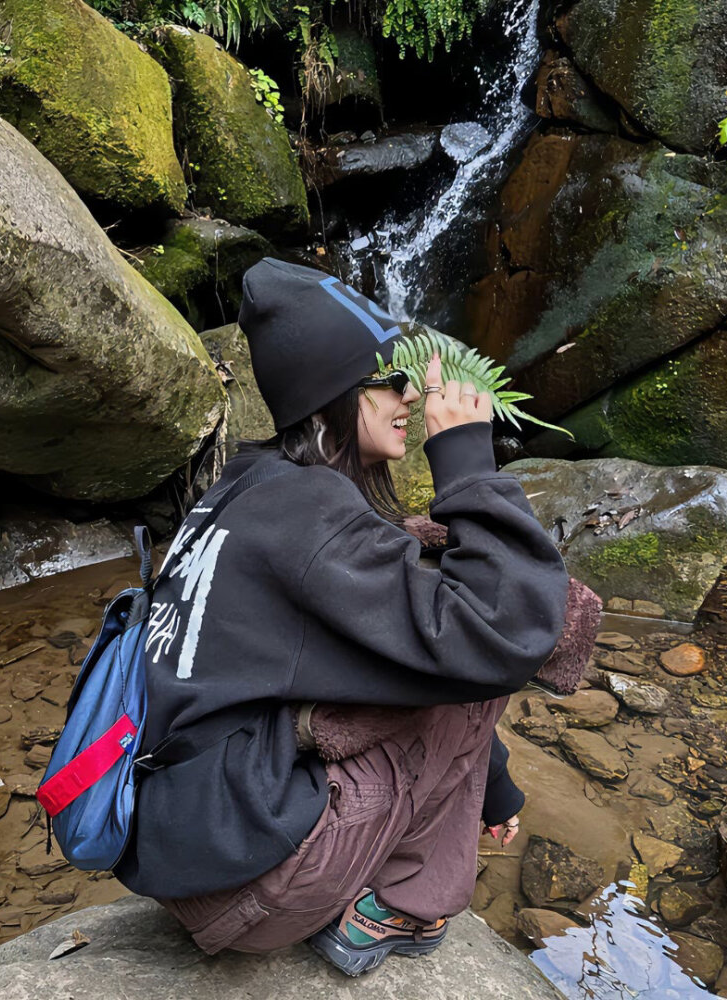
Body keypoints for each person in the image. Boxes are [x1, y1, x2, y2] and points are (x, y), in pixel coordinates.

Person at [114, 257, 570, 976]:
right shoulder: (313, 513)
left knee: (430, 620)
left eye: (408, 374)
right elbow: (501, 627)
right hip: (255, 887)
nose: (410, 393)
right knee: (501, 629)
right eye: (386, 378)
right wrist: (467, 462)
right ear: (331, 396)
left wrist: (493, 786)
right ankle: (407, 909)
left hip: (185, 857)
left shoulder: (245, 487)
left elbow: (377, 651)